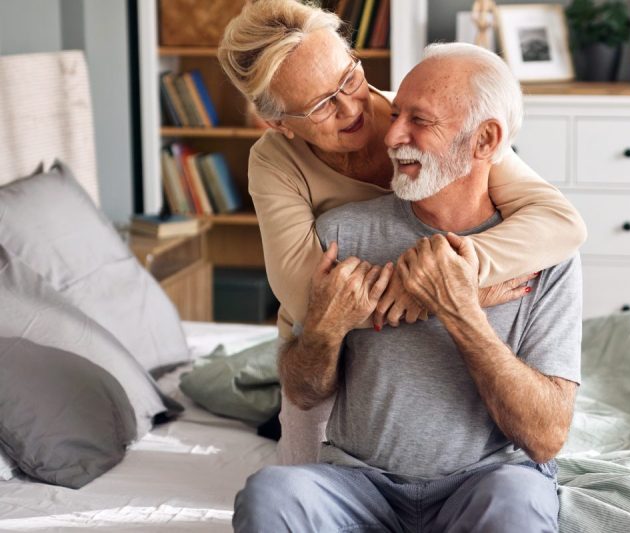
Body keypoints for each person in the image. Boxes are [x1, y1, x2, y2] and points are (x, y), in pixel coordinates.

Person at [217, 0, 586, 465]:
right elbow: (309, 300)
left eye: (349, 78)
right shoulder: (274, 163)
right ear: (278, 124)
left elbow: (560, 223)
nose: (352, 107)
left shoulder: (418, 114)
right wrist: (438, 296)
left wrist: (458, 276)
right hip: (325, 342)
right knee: (293, 481)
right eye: (320, 106)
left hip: (398, 307)